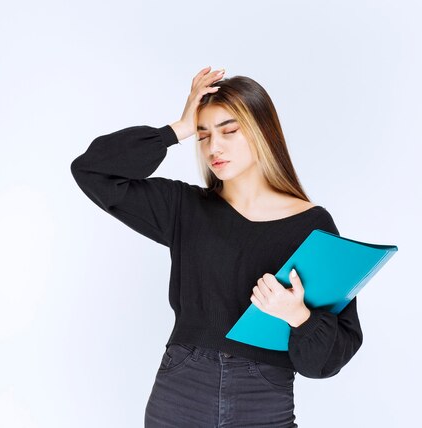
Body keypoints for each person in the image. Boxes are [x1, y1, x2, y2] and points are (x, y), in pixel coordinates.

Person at [70, 66, 363, 427]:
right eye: (203, 135)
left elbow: (329, 358)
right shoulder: (183, 208)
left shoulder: (312, 226)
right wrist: (178, 128)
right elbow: (92, 171)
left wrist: (298, 316)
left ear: (262, 132)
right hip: (181, 391)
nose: (214, 147)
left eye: (229, 130)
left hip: (264, 399)